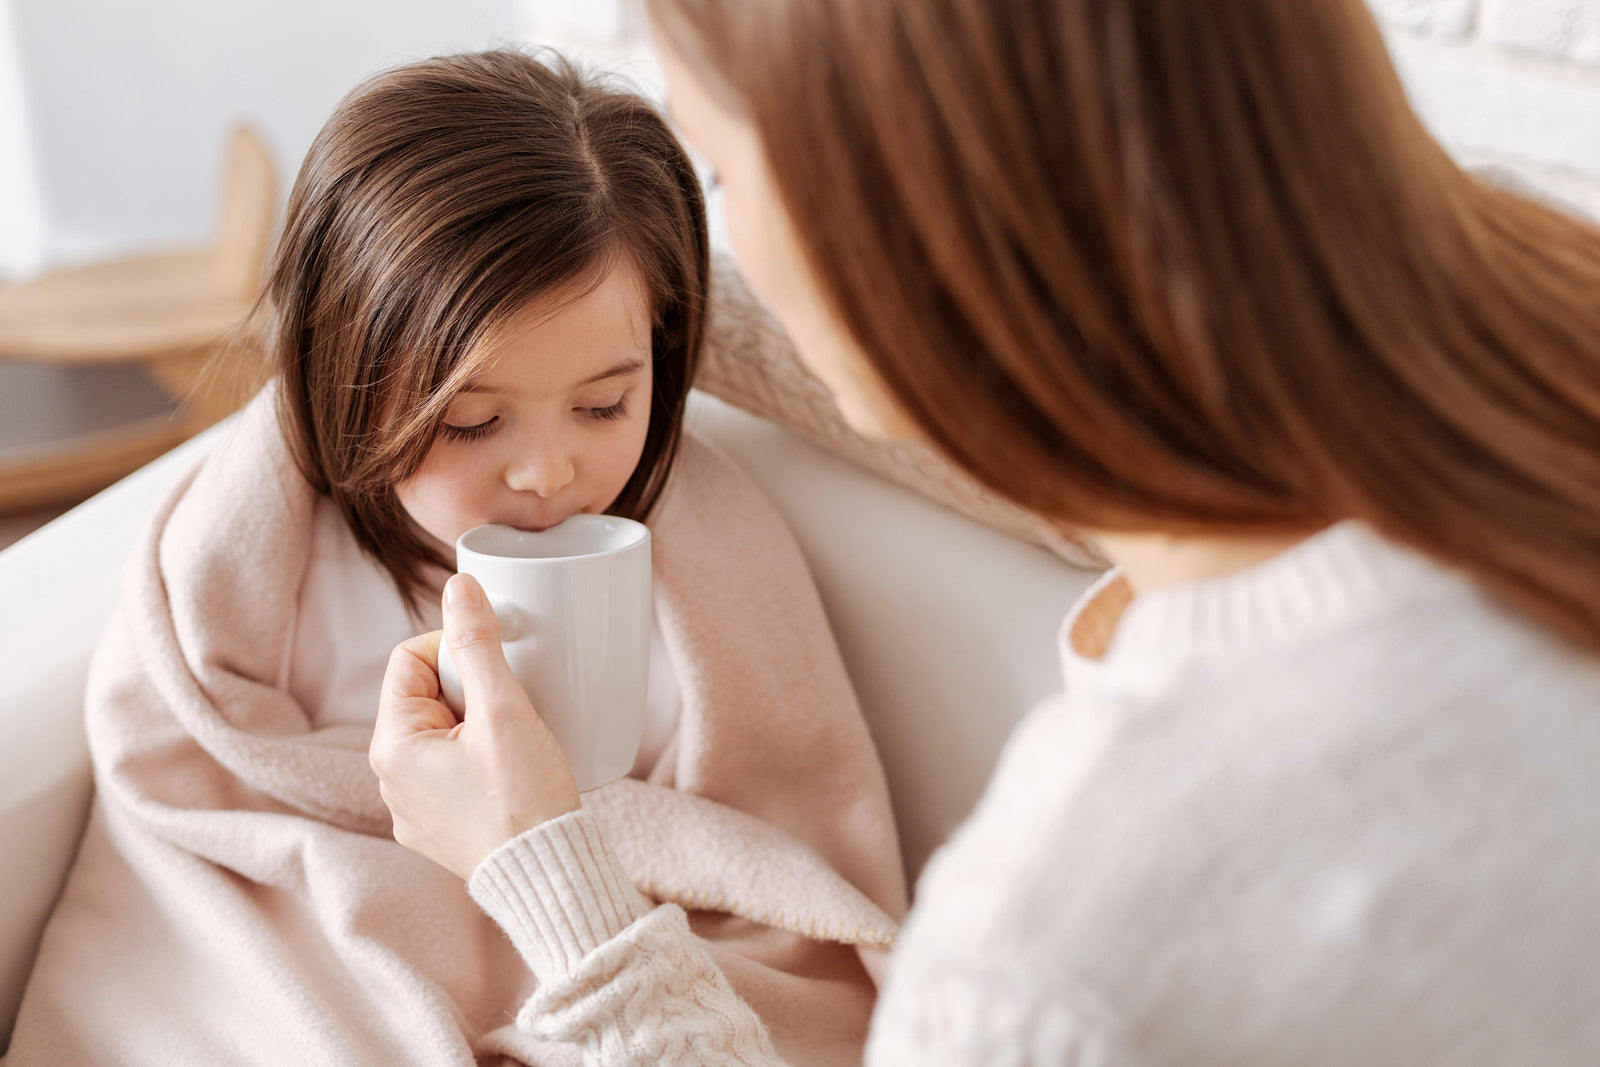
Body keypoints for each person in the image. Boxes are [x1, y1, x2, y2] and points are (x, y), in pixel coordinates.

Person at [368, 0, 1600, 1064]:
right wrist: (533, 325)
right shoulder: (1547, 330)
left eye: (724, 175)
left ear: (900, 228)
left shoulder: (1047, 951)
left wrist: (545, 870)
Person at [6, 49, 904, 1066]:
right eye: (473, 422)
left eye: (605, 402)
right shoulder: (253, 579)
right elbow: (194, 863)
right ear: (344, 380)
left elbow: (787, 907)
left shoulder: (714, 570)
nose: (548, 469)